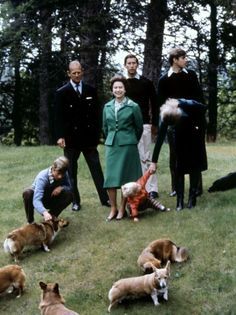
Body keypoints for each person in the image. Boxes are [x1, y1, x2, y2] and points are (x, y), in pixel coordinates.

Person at [54, 60, 109, 211]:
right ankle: (75, 201)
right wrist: (60, 136)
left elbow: (97, 115)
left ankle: (105, 199)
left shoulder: (91, 90)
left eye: (79, 72)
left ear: (82, 72)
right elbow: (58, 117)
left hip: (89, 139)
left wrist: (98, 135)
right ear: (69, 73)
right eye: (74, 73)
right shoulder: (62, 93)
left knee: (96, 169)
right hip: (71, 139)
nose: (77, 75)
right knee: (71, 171)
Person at [157, 47, 205, 197]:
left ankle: (197, 188)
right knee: (175, 155)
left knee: (194, 154)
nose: (186, 60)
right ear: (175, 60)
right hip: (174, 124)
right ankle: (176, 188)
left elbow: (199, 99)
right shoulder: (164, 80)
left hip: (192, 122)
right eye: (183, 58)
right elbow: (161, 103)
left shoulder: (191, 75)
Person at [149, 98, 207, 211]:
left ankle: (192, 199)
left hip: (194, 134)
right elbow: (160, 138)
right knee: (178, 167)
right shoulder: (166, 114)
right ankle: (179, 202)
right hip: (178, 138)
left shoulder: (191, 105)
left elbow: (204, 109)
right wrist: (154, 161)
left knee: (193, 167)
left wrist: (199, 129)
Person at [103, 75, 143, 221]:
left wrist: (130, 140)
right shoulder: (107, 106)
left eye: (120, 87)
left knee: (125, 179)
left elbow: (139, 128)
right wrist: (111, 138)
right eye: (115, 88)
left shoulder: (133, 106)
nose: (118, 90)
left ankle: (122, 208)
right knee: (110, 179)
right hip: (112, 145)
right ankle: (113, 208)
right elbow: (105, 127)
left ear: (125, 89)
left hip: (128, 146)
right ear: (112, 90)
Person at [124, 54, 159, 199]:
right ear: (125, 65)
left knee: (146, 156)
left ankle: (152, 188)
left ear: (137, 65)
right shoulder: (122, 83)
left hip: (144, 123)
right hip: (127, 126)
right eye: (129, 63)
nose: (132, 65)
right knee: (130, 158)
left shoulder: (146, 83)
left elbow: (155, 104)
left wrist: (155, 123)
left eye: (134, 63)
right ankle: (133, 187)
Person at [23, 156, 73, 223]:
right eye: (58, 173)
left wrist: (61, 187)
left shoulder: (63, 172)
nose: (60, 176)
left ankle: (52, 216)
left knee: (70, 195)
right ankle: (30, 222)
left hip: (51, 198)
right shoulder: (42, 177)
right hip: (40, 199)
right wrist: (44, 212)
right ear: (53, 168)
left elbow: (70, 187)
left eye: (62, 174)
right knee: (27, 193)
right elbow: (36, 200)